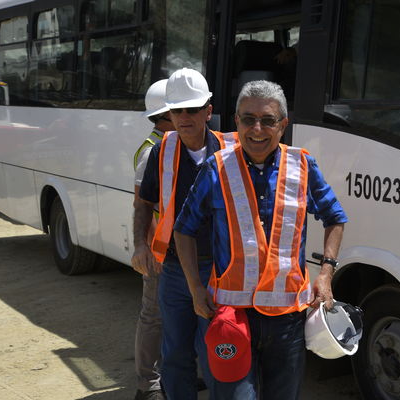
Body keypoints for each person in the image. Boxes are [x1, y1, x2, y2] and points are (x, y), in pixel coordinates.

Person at [173, 80, 348, 400]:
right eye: (247, 119)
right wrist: (195, 288)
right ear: (235, 122)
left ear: (283, 124)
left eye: (267, 120)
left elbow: (335, 217)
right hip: (230, 317)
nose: (257, 128)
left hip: (288, 323)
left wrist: (326, 274)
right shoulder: (217, 168)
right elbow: (183, 228)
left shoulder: (303, 164)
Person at [132, 68, 238, 400]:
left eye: (192, 109)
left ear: (208, 110)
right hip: (174, 271)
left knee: (219, 353)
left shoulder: (233, 151)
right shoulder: (160, 152)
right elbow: (143, 204)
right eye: (177, 110)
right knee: (176, 353)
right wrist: (139, 245)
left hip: (221, 272)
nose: (184, 117)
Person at [131, 79, 172, 400]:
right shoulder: (152, 152)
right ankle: (148, 385)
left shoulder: (172, 146)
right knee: (153, 315)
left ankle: (171, 374)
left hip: (175, 248)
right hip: (159, 250)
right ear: (166, 114)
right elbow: (141, 205)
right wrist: (143, 248)